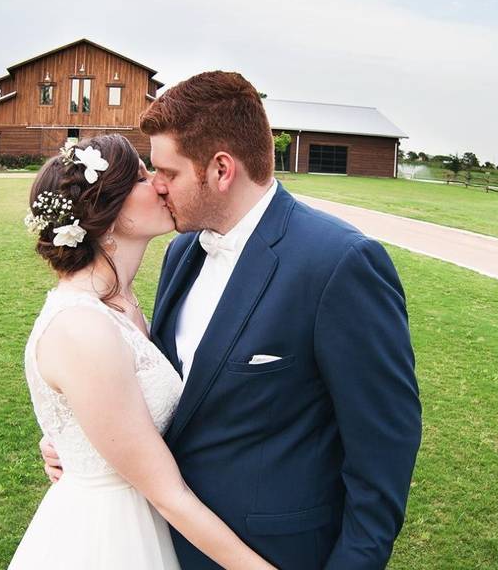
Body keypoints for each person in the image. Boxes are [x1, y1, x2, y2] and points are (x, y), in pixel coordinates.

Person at [42, 71, 423, 569]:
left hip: (277, 552)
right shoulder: (182, 251)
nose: (157, 186)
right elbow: (172, 391)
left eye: (168, 173)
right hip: (162, 541)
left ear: (221, 170)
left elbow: (384, 451)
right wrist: (82, 438)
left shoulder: (340, 264)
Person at [11, 133, 274, 569]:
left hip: (146, 522)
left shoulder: (122, 303)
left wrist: (72, 440)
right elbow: (168, 493)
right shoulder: (82, 326)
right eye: (139, 177)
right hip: (107, 539)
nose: (159, 183)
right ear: (107, 213)